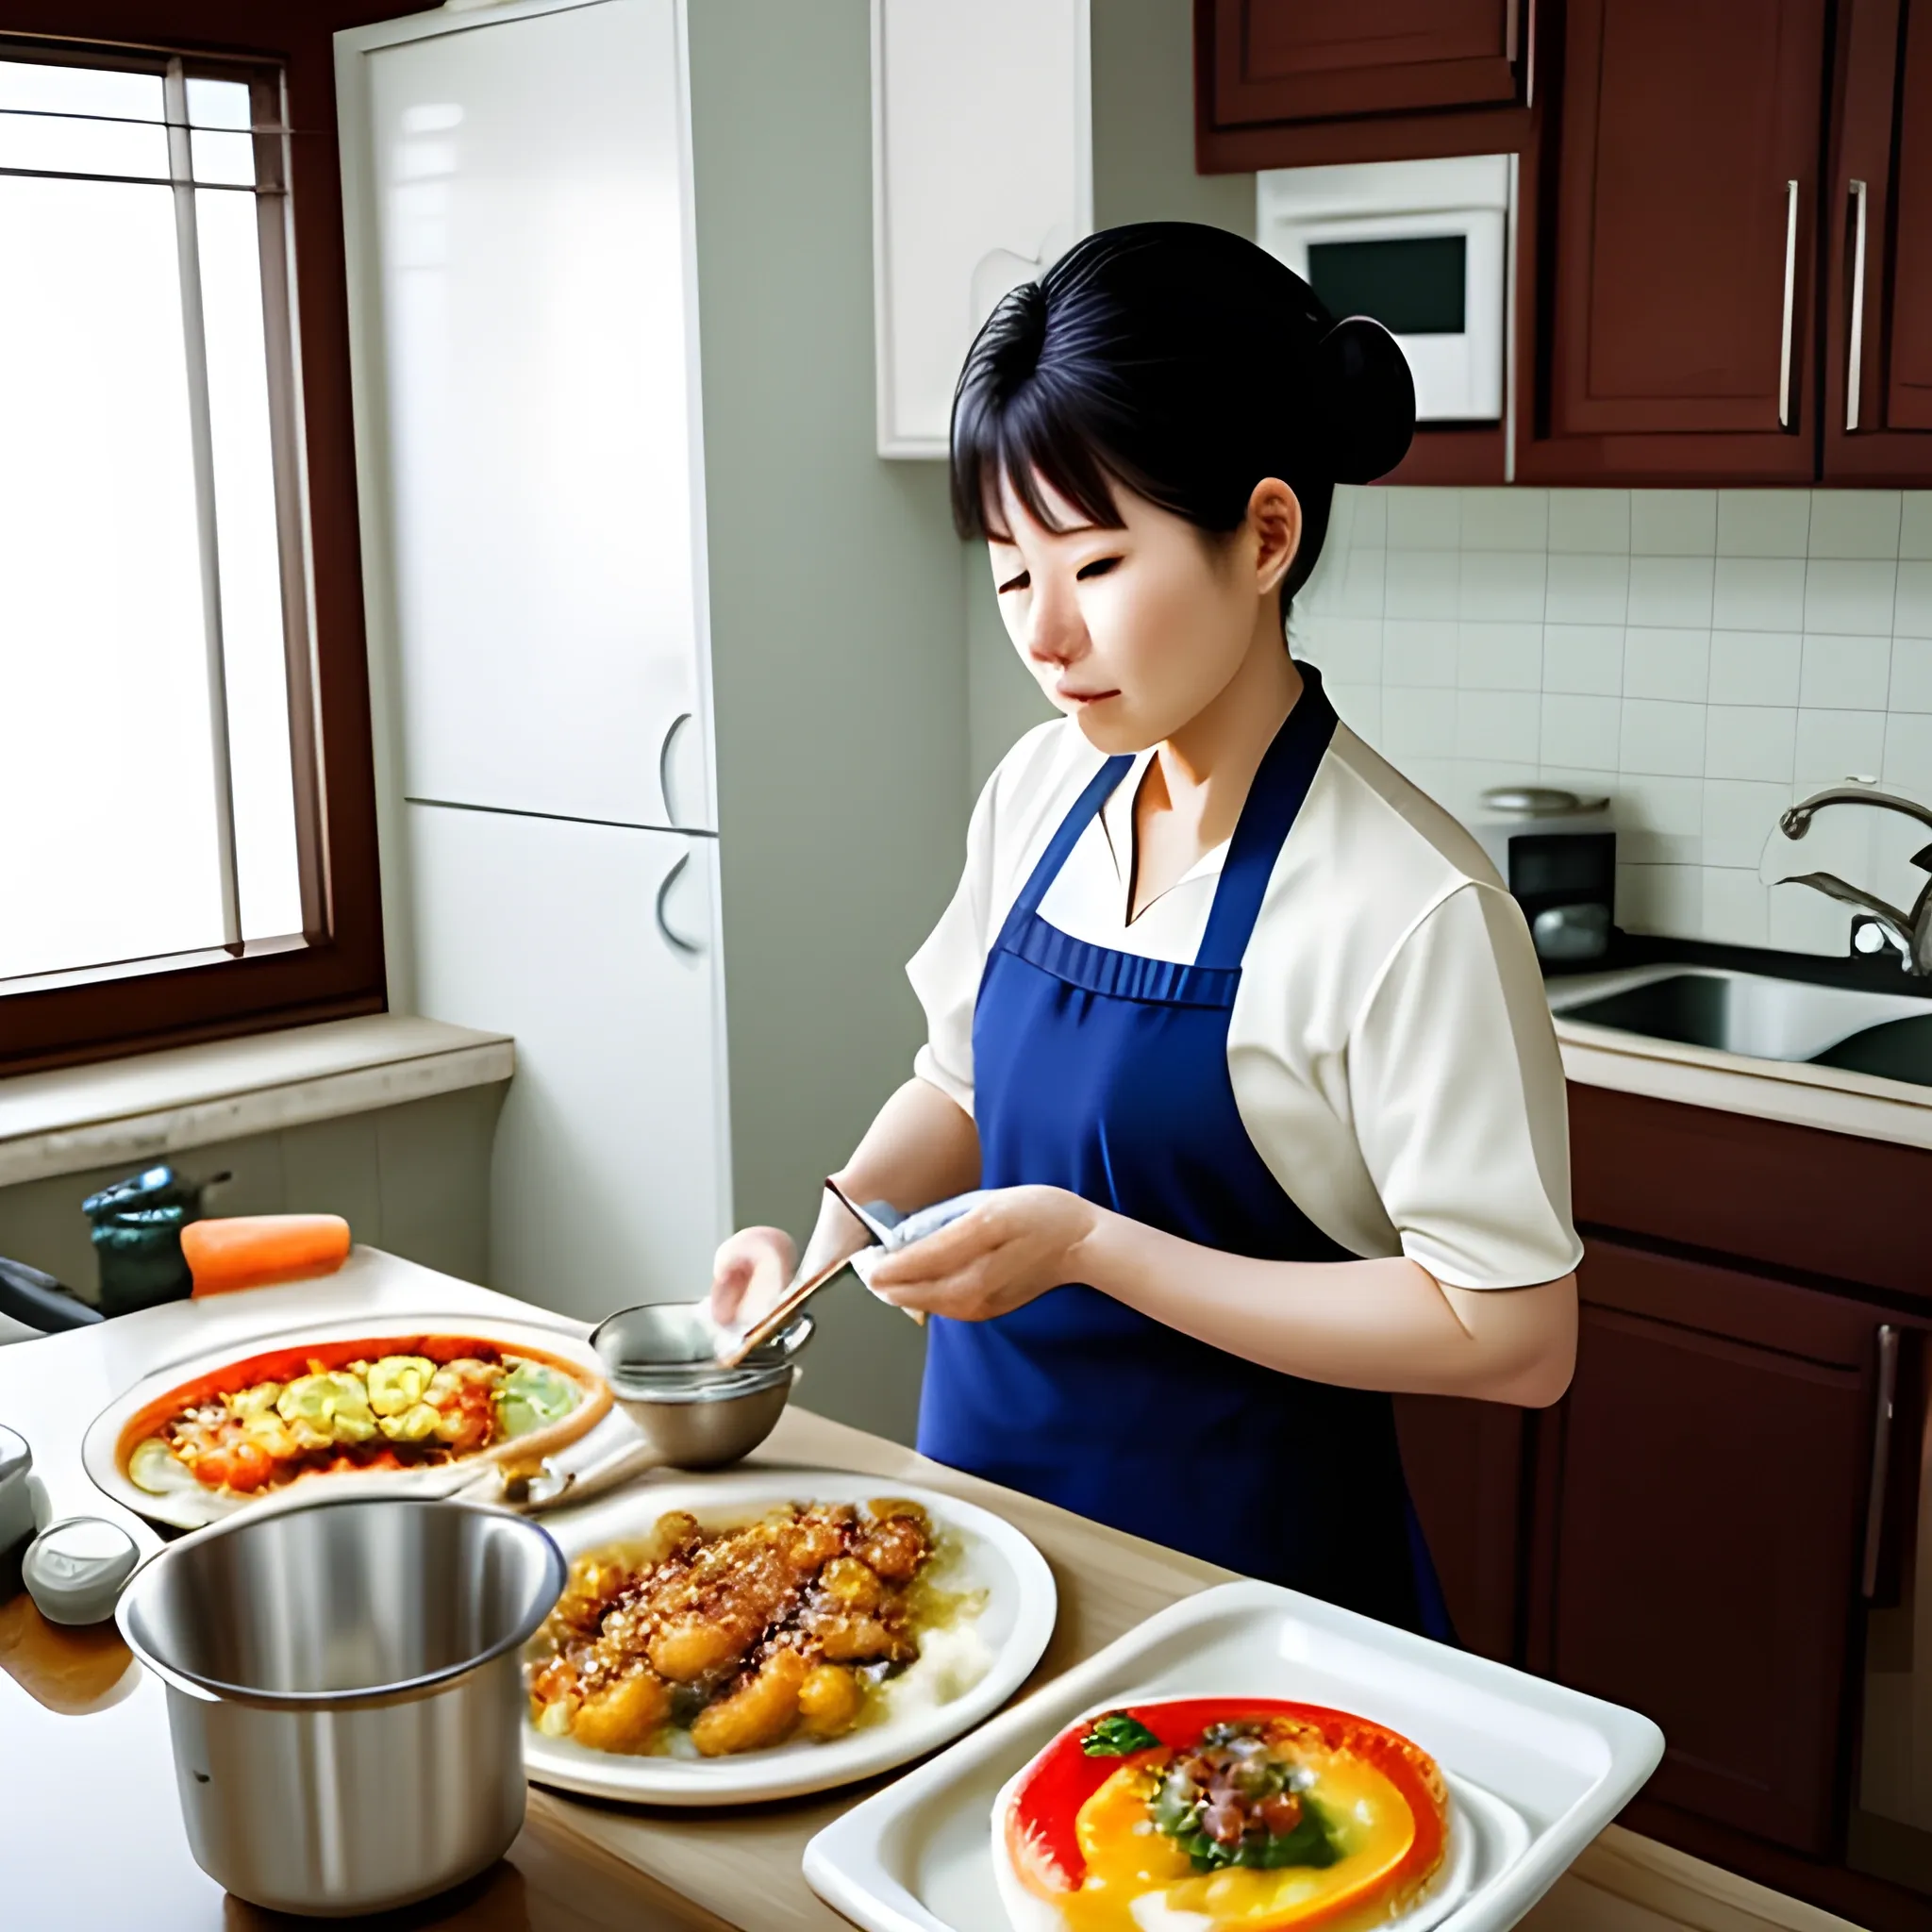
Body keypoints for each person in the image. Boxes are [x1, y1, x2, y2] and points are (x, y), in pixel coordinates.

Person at [711, 223, 1580, 1635]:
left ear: (1267, 535)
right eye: (1010, 573)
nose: (1044, 636)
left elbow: (1518, 1335)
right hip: (981, 1567)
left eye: (1097, 565)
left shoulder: (1409, 903)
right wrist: (819, 1244)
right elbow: (960, 1083)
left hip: (1251, 1599)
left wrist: (1091, 1249)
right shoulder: (1043, 785)